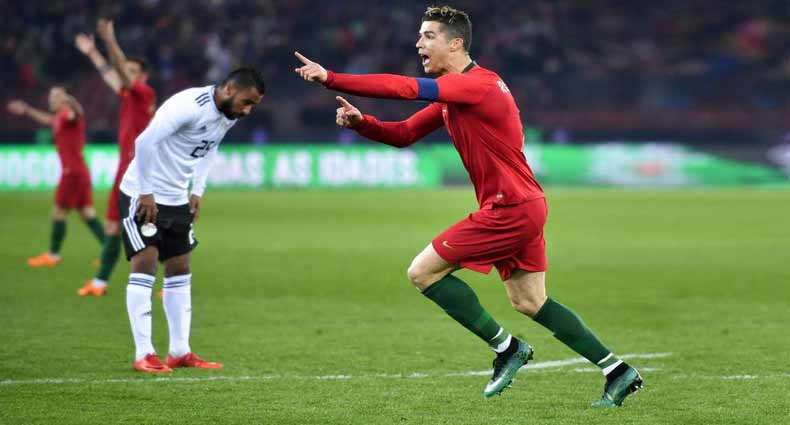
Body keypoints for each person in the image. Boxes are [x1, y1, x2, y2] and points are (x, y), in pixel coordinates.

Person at [295, 5, 642, 406]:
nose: (418, 44)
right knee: (529, 301)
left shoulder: (477, 85)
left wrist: (331, 78)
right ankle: (618, 371)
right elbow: (405, 133)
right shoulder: (456, 96)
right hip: (524, 204)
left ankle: (507, 348)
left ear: (455, 43)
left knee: (423, 272)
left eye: (428, 36)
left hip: (510, 208)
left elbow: (404, 88)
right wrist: (362, 124)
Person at [119, 67, 265, 373]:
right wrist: (146, 192)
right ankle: (144, 353)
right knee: (145, 263)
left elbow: (209, 149)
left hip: (176, 197)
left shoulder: (227, 115)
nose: (247, 111)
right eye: (246, 102)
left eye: (253, 105)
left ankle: (179, 351)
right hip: (143, 193)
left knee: (179, 268)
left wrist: (197, 190)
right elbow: (144, 143)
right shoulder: (187, 106)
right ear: (229, 89)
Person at [74, 19, 156, 297]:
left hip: (142, 172)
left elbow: (118, 72)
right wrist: (92, 53)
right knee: (112, 227)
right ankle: (99, 283)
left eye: (132, 71)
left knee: (150, 230)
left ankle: (174, 281)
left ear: (143, 77)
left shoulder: (144, 94)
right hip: (124, 169)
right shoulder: (129, 94)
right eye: (127, 70)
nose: (125, 74)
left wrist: (110, 41)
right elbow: (112, 76)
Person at [8, 88, 105, 267]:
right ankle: (109, 251)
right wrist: (27, 110)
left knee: (58, 213)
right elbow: (47, 119)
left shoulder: (69, 114)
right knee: (87, 214)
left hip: (72, 174)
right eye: (51, 96)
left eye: (56, 97)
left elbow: (77, 114)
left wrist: (70, 100)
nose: (51, 100)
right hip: (78, 172)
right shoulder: (59, 118)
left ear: (65, 99)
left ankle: (53, 255)